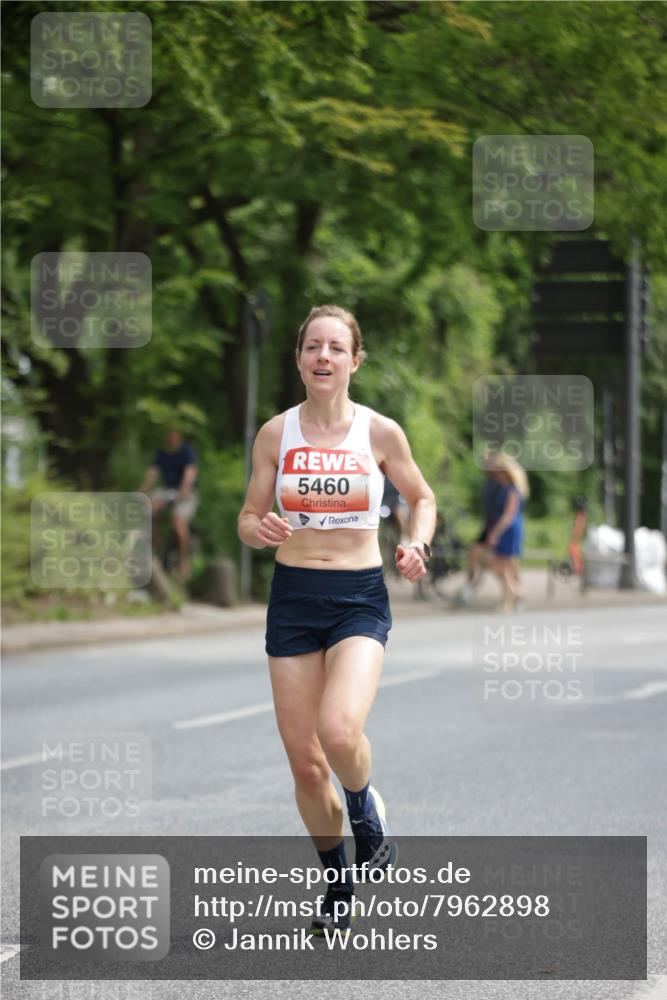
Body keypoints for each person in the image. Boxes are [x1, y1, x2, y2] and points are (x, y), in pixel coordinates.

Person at [237, 304, 436, 934]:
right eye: (313, 347)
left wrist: (417, 545)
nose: (324, 357)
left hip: (357, 597)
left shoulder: (379, 433)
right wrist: (259, 528)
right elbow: (246, 519)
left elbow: (421, 497)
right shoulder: (275, 434)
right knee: (305, 762)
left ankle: (365, 812)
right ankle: (337, 879)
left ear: (355, 360)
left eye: (336, 348)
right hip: (293, 596)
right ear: (299, 359)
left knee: (339, 731)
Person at [138, 428, 198, 580]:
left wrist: (183, 491)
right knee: (149, 508)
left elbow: (189, 473)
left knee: (178, 521)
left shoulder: (186, 451)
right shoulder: (162, 453)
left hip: (185, 492)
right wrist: (141, 492)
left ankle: (184, 561)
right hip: (167, 490)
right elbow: (152, 474)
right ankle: (155, 545)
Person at [483, 453, 529, 612]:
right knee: (501, 566)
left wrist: (495, 532)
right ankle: (517, 594)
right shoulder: (504, 488)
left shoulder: (512, 490)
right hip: (506, 528)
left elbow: (508, 516)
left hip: (509, 529)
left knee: (504, 565)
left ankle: (509, 599)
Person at [457, 455, 503, 605]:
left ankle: (515, 591)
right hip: (488, 527)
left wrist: (496, 531)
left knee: (498, 563)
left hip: (498, 528)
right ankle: (469, 587)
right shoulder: (489, 483)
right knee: (476, 555)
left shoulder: (503, 485)